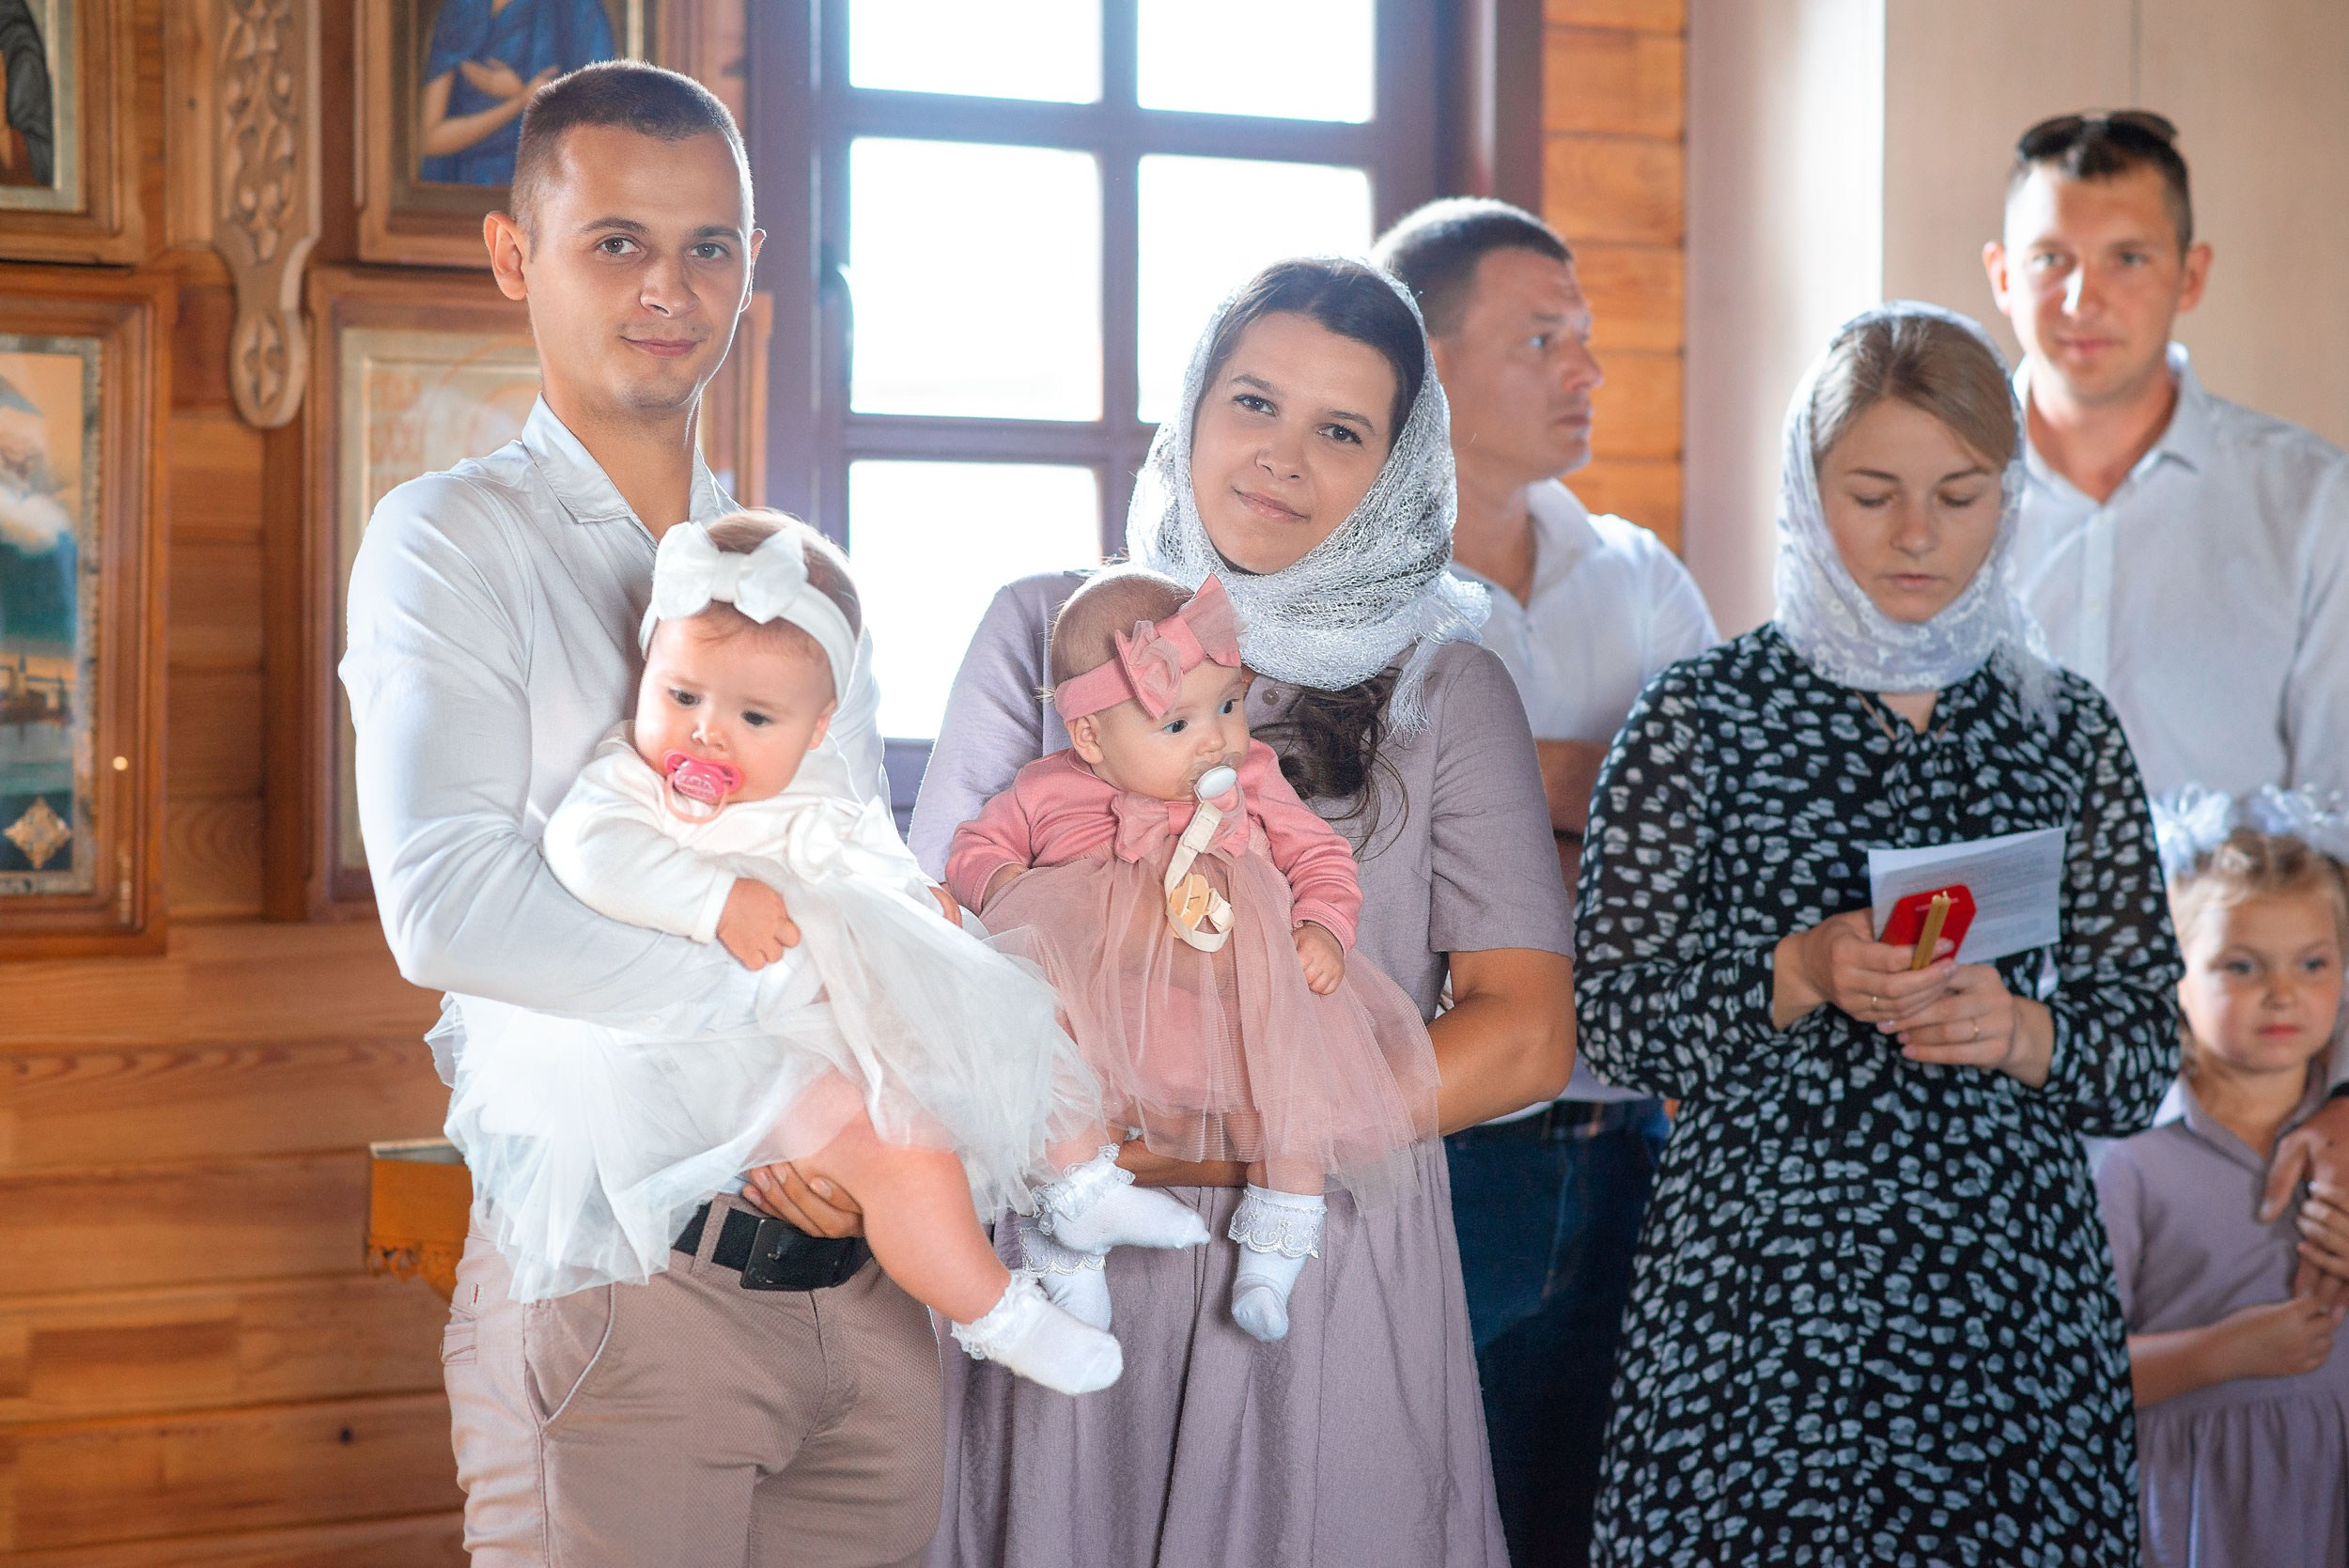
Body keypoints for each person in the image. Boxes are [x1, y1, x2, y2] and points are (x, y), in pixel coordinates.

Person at [342, 64, 946, 1567]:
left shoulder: (798, 578)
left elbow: (860, 882)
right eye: (617, 242)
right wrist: (777, 1043)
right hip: (619, 1285)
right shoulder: (446, 541)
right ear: (512, 258)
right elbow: (449, 907)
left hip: (865, 1293)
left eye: (710, 247)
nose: (669, 288)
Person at [900, 256, 1575, 1566]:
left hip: (1314, 1250)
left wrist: (1227, 1145)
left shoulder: (1448, 682)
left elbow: (1527, 1033)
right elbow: (936, 945)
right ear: (1191, 413)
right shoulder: (1044, 629)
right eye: (1254, 404)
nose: (1280, 459)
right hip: (1064, 1238)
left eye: (1339, 431)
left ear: (1393, 467)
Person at [1577, 302, 2181, 1564]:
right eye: (1872, 492)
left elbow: (2138, 1051)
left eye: (1961, 496)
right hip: (1759, 1288)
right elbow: (1614, 1018)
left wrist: (2021, 1031)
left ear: (2010, 498)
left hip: (2008, 1293)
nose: (1916, 535)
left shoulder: (2063, 726)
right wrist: (1795, 969)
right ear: (1807, 487)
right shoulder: (1702, 713)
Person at [443, 512, 1226, 1394]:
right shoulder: (630, 780)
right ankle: (998, 1312)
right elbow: (593, 850)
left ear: (815, 729)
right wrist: (712, 898)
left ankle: (1081, 1182)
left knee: (1007, 1011)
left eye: (752, 714)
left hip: (829, 1004)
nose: (706, 733)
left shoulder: (808, 784)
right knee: (896, 1145)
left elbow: (852, 848)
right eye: (681, 695)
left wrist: (913, 903)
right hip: (722, 1045)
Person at [1373, 195, 1716, 1568]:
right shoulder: (1359, 589)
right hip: (1437, 1144)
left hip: (1639, 1133)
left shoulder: (1636, 576)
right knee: (1426, 1505)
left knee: (1609, 1514)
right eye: (1541, 339)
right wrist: (1580, 791)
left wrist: (1534, 789)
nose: (1586, 369)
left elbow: (1717, 825)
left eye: (1586, 337)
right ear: (1427, 367)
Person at [1983, 105, 2349, 1312]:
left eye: (2127, 257)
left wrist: (2344, 1092)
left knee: (2220, 1458)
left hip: (2235, 1099)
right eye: (2050, 258)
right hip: (1969, 1053)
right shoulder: (1924, 497)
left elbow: (2343, 810)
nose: (2082, 295)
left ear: (2189, 276)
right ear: (2000, 274)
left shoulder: (2305, 500)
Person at [945, 567, 1440, 1342]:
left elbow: (1321, 855)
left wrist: (1323, 926)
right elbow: (977, 847)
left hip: (1234, 1003)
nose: (1215, 737)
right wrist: (1013, 889)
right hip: (1110, 1020)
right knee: (1051, 1068)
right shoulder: (1046, 788)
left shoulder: (1251, 777)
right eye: (1177, 725)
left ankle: (1273, 1262)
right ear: (1089, 738)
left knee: (1294, 1089)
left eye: (1228, 705)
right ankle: (1074, 1244)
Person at [2097, 788, 2349, 1568]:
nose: (2283, 992)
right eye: (2240, 965)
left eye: (2313, 963)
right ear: (2174, 975)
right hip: (2198, 1502)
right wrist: (2220, 1352)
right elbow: (2065, 1369)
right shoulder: (2132, 1157)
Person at [417, 0, 614, 186]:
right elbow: (429, 139)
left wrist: (529, 97)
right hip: (466, 188)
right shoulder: (463, 9)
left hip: (548, 187)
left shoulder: (579, 11)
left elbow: (602, 123)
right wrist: (519, 102)